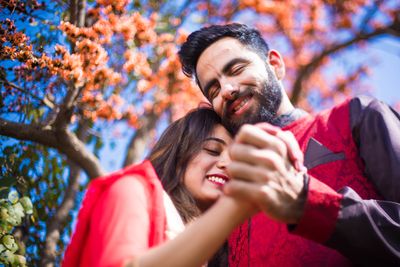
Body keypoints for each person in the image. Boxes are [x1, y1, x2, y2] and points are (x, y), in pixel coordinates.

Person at [178, 23, 400, 266]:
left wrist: (308, 202)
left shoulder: (356, 117)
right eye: (214, 90)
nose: (227, 90)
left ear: (275, 64)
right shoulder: (230, 198)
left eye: (237, 69)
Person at [62, 108, 259, 267]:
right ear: (178, 154)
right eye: (212, 150)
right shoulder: (132, 191)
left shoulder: (229, 251)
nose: (227, 164)